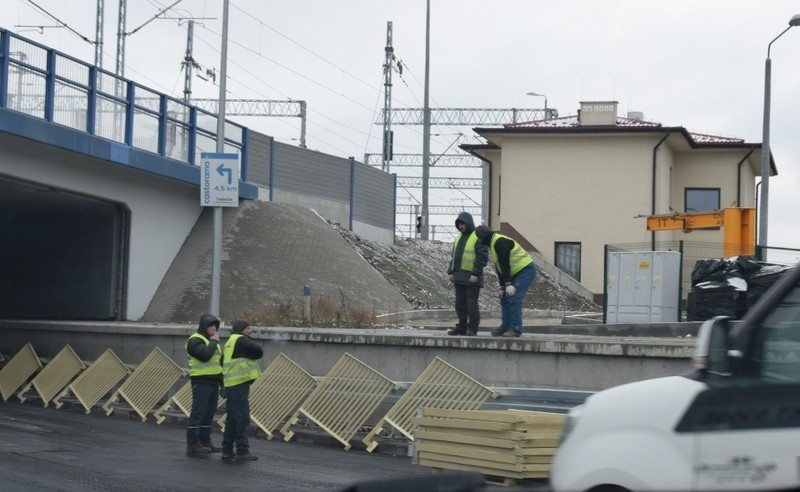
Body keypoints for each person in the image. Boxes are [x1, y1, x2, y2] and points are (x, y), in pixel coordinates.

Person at [475, 225, 537, 337]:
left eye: (479, 238)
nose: (479, 241)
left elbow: (505, 264)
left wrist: (508, 283)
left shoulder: (500, 242)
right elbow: (499, 268)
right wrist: (502, 286)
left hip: (525, 269)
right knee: (505, 299)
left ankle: (516, 329)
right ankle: (505, 327)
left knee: (514, 297)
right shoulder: (493, 244)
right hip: (515, 272)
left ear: (482, 237)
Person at [221, 319, 263, 462]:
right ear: (242, 329)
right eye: (248, 328)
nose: (250, 331)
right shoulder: (240, 340)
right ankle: (242, 450)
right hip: (239, 384)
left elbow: (222, 363)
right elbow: (258, 351)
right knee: (242, 418)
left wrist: (223, 386)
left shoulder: (229, 342)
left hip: (231, 384)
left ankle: (227, 449)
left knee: (232, 419)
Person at [185, 312, 223, 457]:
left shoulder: (212, 343)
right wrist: (214, 342)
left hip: (213, 382)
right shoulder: (195, 340)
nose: (214, 329)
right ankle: (193, 443)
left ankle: (205, 441)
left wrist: (222, 383)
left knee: (209, 414)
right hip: (201, 381)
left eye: (215, 326)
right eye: (211, 326)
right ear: (204, 326)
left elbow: (218, 365)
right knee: (198, 413)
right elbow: (204, 356)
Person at [446, 212, 488, 336]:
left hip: (472, 278)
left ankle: (472, 329)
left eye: (462, 224)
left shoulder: (477, 236)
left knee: (471, 305)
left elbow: (482, 257)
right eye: (459, 224)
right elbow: (454, 257)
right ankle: (462, 327)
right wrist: (451, 271)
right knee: (460, 305)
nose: (461, 226)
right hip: (459, 277)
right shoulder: (458, 238)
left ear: (468, 223)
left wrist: (475, 273)